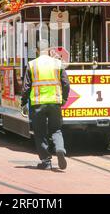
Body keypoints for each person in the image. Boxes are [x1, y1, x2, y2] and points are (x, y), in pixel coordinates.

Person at [21, 39, 70, 170]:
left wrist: (23, 102)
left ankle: (46, 161)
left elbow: (26, 87)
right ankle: (60, 149)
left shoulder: (32, 65)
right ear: (49, 50)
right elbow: (66, 84)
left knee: (40, 133)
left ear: (37, 50)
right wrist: (64, 99)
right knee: (56, 129)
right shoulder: (57, 63)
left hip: (38, 104)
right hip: (55, 103)